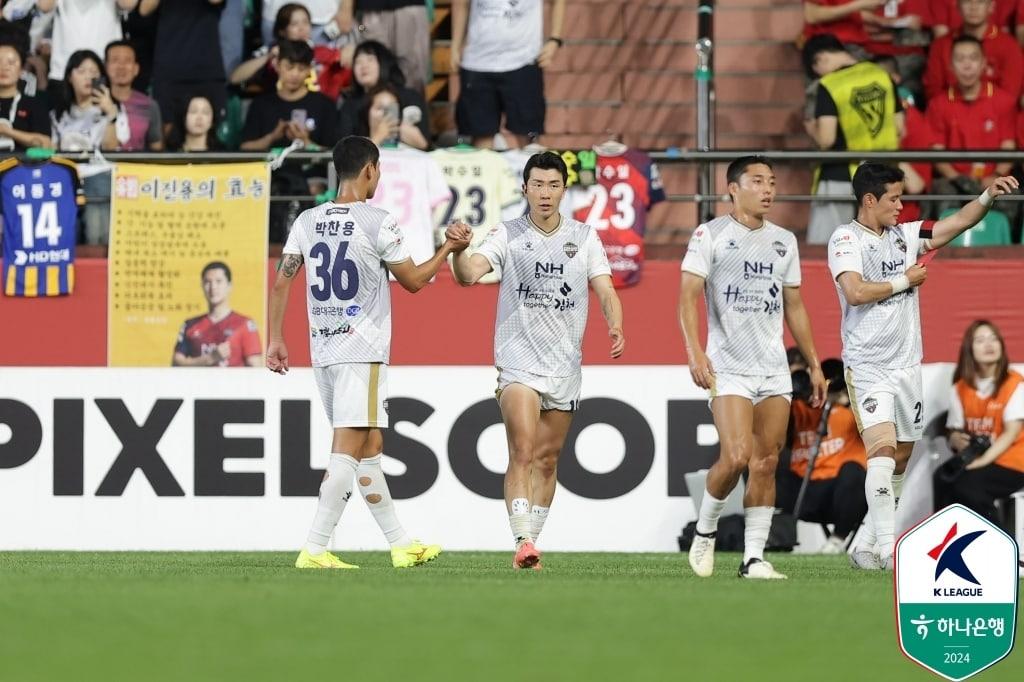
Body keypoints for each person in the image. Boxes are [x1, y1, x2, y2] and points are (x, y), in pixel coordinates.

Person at [268, 135, 467, 569]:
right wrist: (449, 249)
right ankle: (315, 549)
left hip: (324, 351)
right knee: (347, 449)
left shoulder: (307, 220)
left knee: (369, 447)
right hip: (362, 350)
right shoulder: (377, 221)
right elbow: (414, 281)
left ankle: (400, 545)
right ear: (371, 170)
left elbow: (283, 279)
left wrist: (276, 338)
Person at [826, 162, 1018, 570]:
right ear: (869, 199)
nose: (901, 205)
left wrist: (987, 197)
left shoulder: (906, 236)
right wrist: (904, 281)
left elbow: (956, 224)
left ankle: (866, 542)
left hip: (906, 367)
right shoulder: (845, 239)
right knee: (881, 450)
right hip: (868, 365)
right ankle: (887, 548)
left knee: (901, 457)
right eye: (894, 198)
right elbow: (856, 291)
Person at [447, 151, 623, 570]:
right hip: (518, 362)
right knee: (523, 450)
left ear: (564, 190)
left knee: (547, 459)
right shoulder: (507, 233)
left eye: (553, 185)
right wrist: (458, 251)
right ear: (524, 188)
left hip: (564, 365)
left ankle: (530, 546)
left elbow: (605, 289)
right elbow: (470, 274)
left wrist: (615, 324)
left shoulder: (584, 237)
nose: (545, 193)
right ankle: (522, 538)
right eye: (538, 185)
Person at [679, 155, 827, 580]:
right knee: (737, 455)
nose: (768, 189)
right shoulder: (710, 234)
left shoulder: (785, 240)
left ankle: (754, 558)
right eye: (758, 181)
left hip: (773, 367)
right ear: (733, 188)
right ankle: (705, 531)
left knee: (766, 462)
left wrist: (814, 364)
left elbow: (794, 306)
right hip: (728, 365)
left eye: (772, 182)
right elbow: (687, 296)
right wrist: (695, 351)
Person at [803, 34, 904, 243]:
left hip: (839, 176)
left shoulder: (830, 84)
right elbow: (900, 127)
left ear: (819, 60)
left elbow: (826, 139)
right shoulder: (881, 75)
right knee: (877, 246)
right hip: (882, 178)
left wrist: (811, 128)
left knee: (829, 245)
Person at [934, 320, 1024, 526]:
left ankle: (1003, 550)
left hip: (1014, 460)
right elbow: (954, 431)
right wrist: (954, 438)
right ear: (969, 349)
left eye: (994, 339)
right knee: (942, 478)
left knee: (969, 486)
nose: (989, 344)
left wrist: (982, 462)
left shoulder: (1014, 383)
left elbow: (1011, 433)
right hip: (981, 457)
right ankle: (945, 542)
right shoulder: (960, 388)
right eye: (981, 340)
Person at [776, 359, 868, 554]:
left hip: (838, 494)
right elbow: (774, 433)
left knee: (854, 471)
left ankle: (837, 540)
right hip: (801, 490)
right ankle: (770, 537)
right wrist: (793, 391)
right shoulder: (797, 409)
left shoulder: (850, 412)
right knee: (766, 465)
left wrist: (846, 396)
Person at [451, 0, 565, 149]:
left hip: (523, 61)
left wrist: (554, 40)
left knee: (529, 138)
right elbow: (462, 5)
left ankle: (533, 172)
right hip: (478, 62)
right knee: (481, 138)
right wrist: (455, 45)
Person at [926, 35, 1016, 215]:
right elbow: (937, 151)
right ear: (950, 66)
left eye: (973, 58)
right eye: (960, 59)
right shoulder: (938, 104)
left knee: (1012, 194)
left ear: (984, 64)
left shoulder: (1003, 100)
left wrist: (995, 176)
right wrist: (958, 179)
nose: (967, 65)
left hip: (994, 178)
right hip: (953, 180)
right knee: (942, 194)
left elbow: (1008, 146)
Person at [51, 50, 119, 246]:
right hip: (65, 179)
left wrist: (111, 114)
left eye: (94, 72)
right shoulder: (57, 114)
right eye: (82, 71)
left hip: (98, 178)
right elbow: (52, 148)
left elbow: (111, 147)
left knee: (96, 236)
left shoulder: (112, 110)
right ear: (70, 77)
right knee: (64, 237)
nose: (89, 76)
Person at [231, 3, 353, 101]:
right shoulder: (272, 53)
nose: (302, 28)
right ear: (282, 31)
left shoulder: (323, 52)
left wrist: (352, 50)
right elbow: (235, 78)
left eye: (306, 22)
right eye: (294, 24)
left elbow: (361, 28)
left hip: (320, 114)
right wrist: (268, 57)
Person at [141, 0, 227, 139]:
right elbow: (144, 9)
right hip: (169, 70)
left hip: (206, 69)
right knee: (168, 132)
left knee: (210, 133)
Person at [239, 39, 337, 152]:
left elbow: (334, 155)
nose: (294, 74)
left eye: (301, 69)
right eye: (289, 67)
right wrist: (272, 137)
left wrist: (306, 142)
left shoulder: (325, 105)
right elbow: (245, 148)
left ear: (309, 70)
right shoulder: (261, 104)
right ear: (278, 66)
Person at [923, 0, 1022, 103]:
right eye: (967, 2)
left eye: (980, 2)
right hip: (950, 113)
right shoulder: (941, 45)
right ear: (957, 6)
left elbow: (1010, 96)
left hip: (996, 114)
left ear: (991, 6)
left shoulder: (1009, 46)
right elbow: (933, 92)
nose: (973, 8)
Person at [336, 41, 429, 150]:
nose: (363, 66)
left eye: (370, 59)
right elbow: (344, 148)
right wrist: (378, 136)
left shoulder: (410, 97)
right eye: (358, 62)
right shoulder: (350, 104)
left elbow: (425, 143)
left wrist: (396, 127)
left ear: (383, 63)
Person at [172, 261, 262, 367]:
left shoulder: (244, 324)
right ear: (202, 286)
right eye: (207, 282)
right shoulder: (189, 325)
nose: (213, 287)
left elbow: (256, 368)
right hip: (198, 383)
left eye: (218, 281)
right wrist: (209, 358)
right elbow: (176, 363)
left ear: (229, 285)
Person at [38, 0, 137, 89]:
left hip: (101, 71)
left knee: (99, 106)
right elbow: (44, 6)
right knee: (62, 106)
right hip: (63, 70)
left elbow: (128, 4)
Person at [335, 0, 430, 91]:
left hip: (410, 9)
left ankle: (412, 105)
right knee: (372, 65)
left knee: (414, 73)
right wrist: (346, 6)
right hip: (369, 13)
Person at [104, 40, 163, 152]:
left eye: (127, 60)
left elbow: (157, 150)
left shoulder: (150, 105)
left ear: (136, 69)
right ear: (106, 66)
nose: (121, 66)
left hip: (137, 168)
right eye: (115, 60)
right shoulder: (96, 102)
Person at [0, 21, 50, 151]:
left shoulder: (34, 104)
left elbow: (46, 146)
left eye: (11, 62)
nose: (4, 67)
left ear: (22, 68)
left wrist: (7, 131)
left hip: (24, 169)